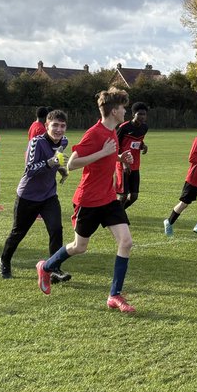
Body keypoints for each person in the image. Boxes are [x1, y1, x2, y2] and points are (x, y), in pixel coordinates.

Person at [36, 88, 136, 313]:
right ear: (113, 110)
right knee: (79, 247)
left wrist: (120, 157)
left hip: (108, 198)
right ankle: (47, 266)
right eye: (122, 107)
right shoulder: (95, 133)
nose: (125, 111)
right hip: (88, 201)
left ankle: (114, 295)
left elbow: (107, 156)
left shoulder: (113, 131)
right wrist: (103, 153)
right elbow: (71, 163)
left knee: (126, 242)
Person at [0, 109, 71, 281]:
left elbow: (57, 158)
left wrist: (61, 169)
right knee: (18, 232)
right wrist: (50, 163)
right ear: (46, 125)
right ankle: (5, 260)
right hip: (28, 196)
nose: (59, 129)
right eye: (55, 125)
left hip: (49, 195)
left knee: (56, 230)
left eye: (62, 126)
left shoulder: (64, 141)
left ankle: (54, 269)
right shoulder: (36, 142)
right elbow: (29, 170)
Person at [115, 102, 149, 209]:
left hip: (135, 165)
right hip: (122, 165)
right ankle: (116, 217)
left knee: (134, 196)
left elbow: (137, 142)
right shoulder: (124, 127)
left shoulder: (144, 128)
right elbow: (115, 146)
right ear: (133, 114)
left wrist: (143, 146)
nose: (142, 117)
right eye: (139, 114)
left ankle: (117, 213)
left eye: (144, 114)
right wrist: (124, 162)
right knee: (123, 195)